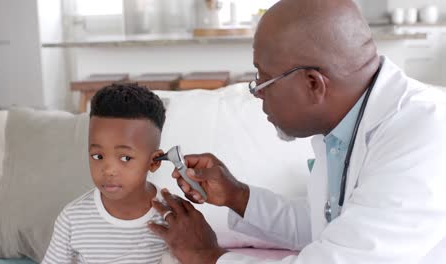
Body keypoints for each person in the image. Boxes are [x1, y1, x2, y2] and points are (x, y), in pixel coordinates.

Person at [148, 0, 446, 263]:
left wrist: (208, 257)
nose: (256, 93)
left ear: (314, 84)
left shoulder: (424, 136)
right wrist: (236, 195)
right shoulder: (344, 125)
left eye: (263, 80)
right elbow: (327, 225)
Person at [43, 83, 178, 263]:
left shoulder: (173, 216)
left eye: (125, 158)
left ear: (153, 162)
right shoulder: (72, 219)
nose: (108, 170)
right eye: (98, 156)